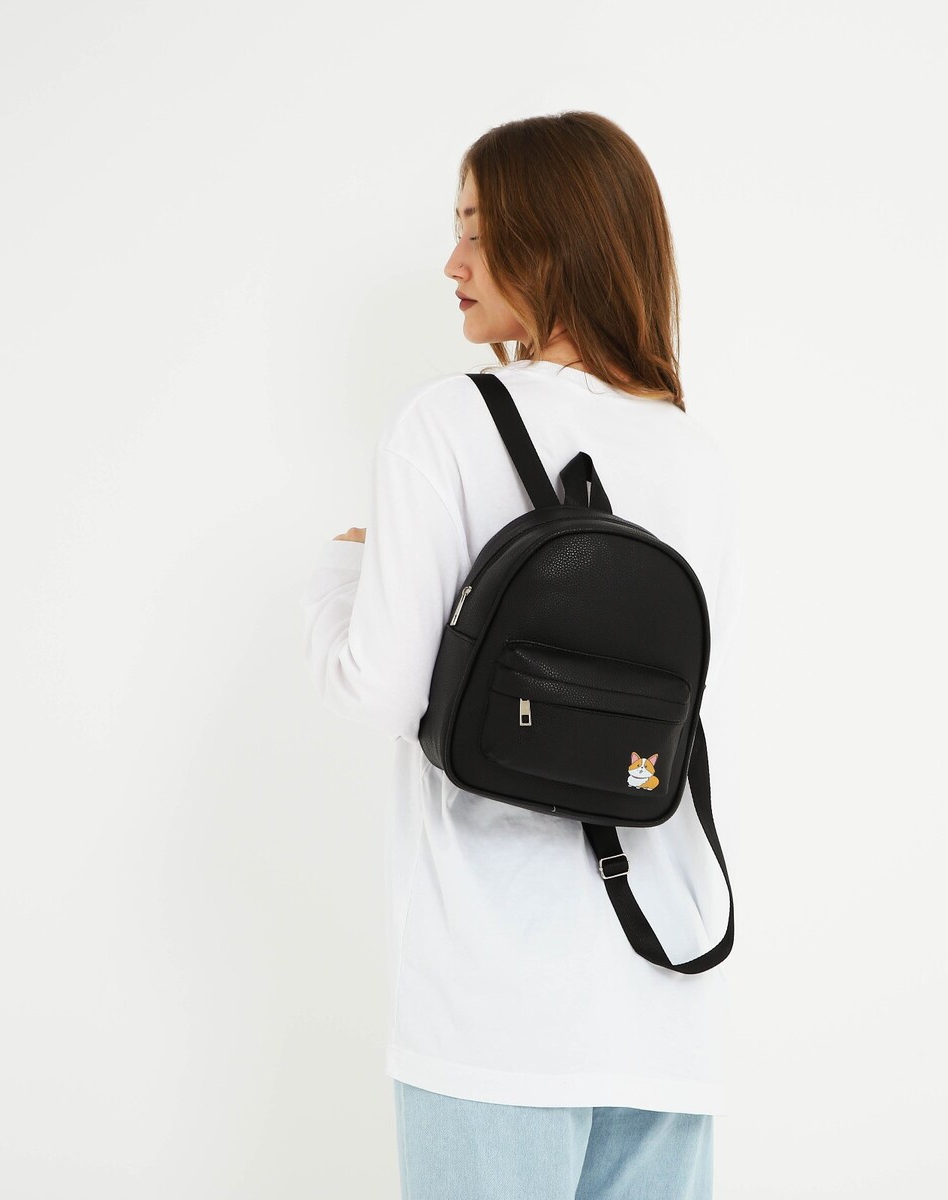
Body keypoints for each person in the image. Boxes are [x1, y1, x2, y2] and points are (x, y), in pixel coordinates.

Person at [302, 111, 745, 1200]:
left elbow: (376, 692)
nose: (452, 264)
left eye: (476, 231)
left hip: (493, 1013)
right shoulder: (695, 454)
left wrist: (343, 572)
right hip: (665, 999)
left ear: (554, 242)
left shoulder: (444, 425)